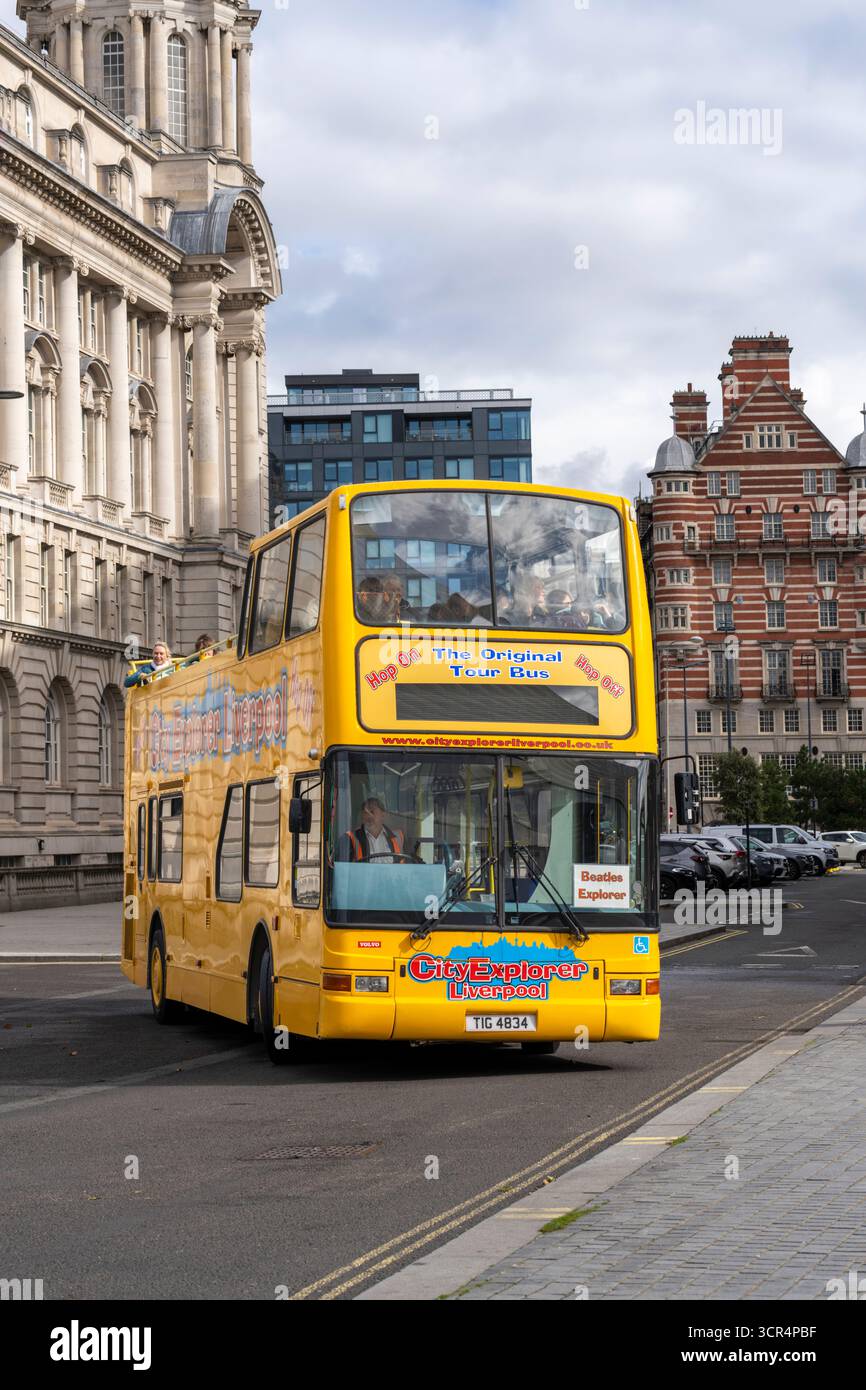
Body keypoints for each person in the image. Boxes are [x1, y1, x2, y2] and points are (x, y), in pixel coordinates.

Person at [336, 797, 406, 862]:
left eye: (372, 812)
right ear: (362, 816)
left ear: (383, 815)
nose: (369, 816)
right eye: (365, 813)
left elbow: (407, 865)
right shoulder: (350, 839)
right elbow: (344, 868)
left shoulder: (398, 837)